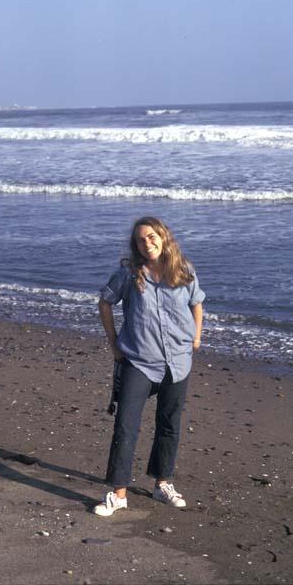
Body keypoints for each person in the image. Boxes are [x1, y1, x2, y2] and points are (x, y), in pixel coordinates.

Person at [94, 216, 205, 517]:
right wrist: (114, 343)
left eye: (152, 236)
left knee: (169, 425)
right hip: (139, 361)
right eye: (141, 239)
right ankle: (118, 494)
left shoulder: (184, 270)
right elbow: (105, 303)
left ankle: (162, 483)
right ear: (136, 245)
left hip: (178, 362)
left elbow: (197, 303)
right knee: (126, 426)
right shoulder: (129, 274)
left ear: (163, 237)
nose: (148, 242)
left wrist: (196, 337)